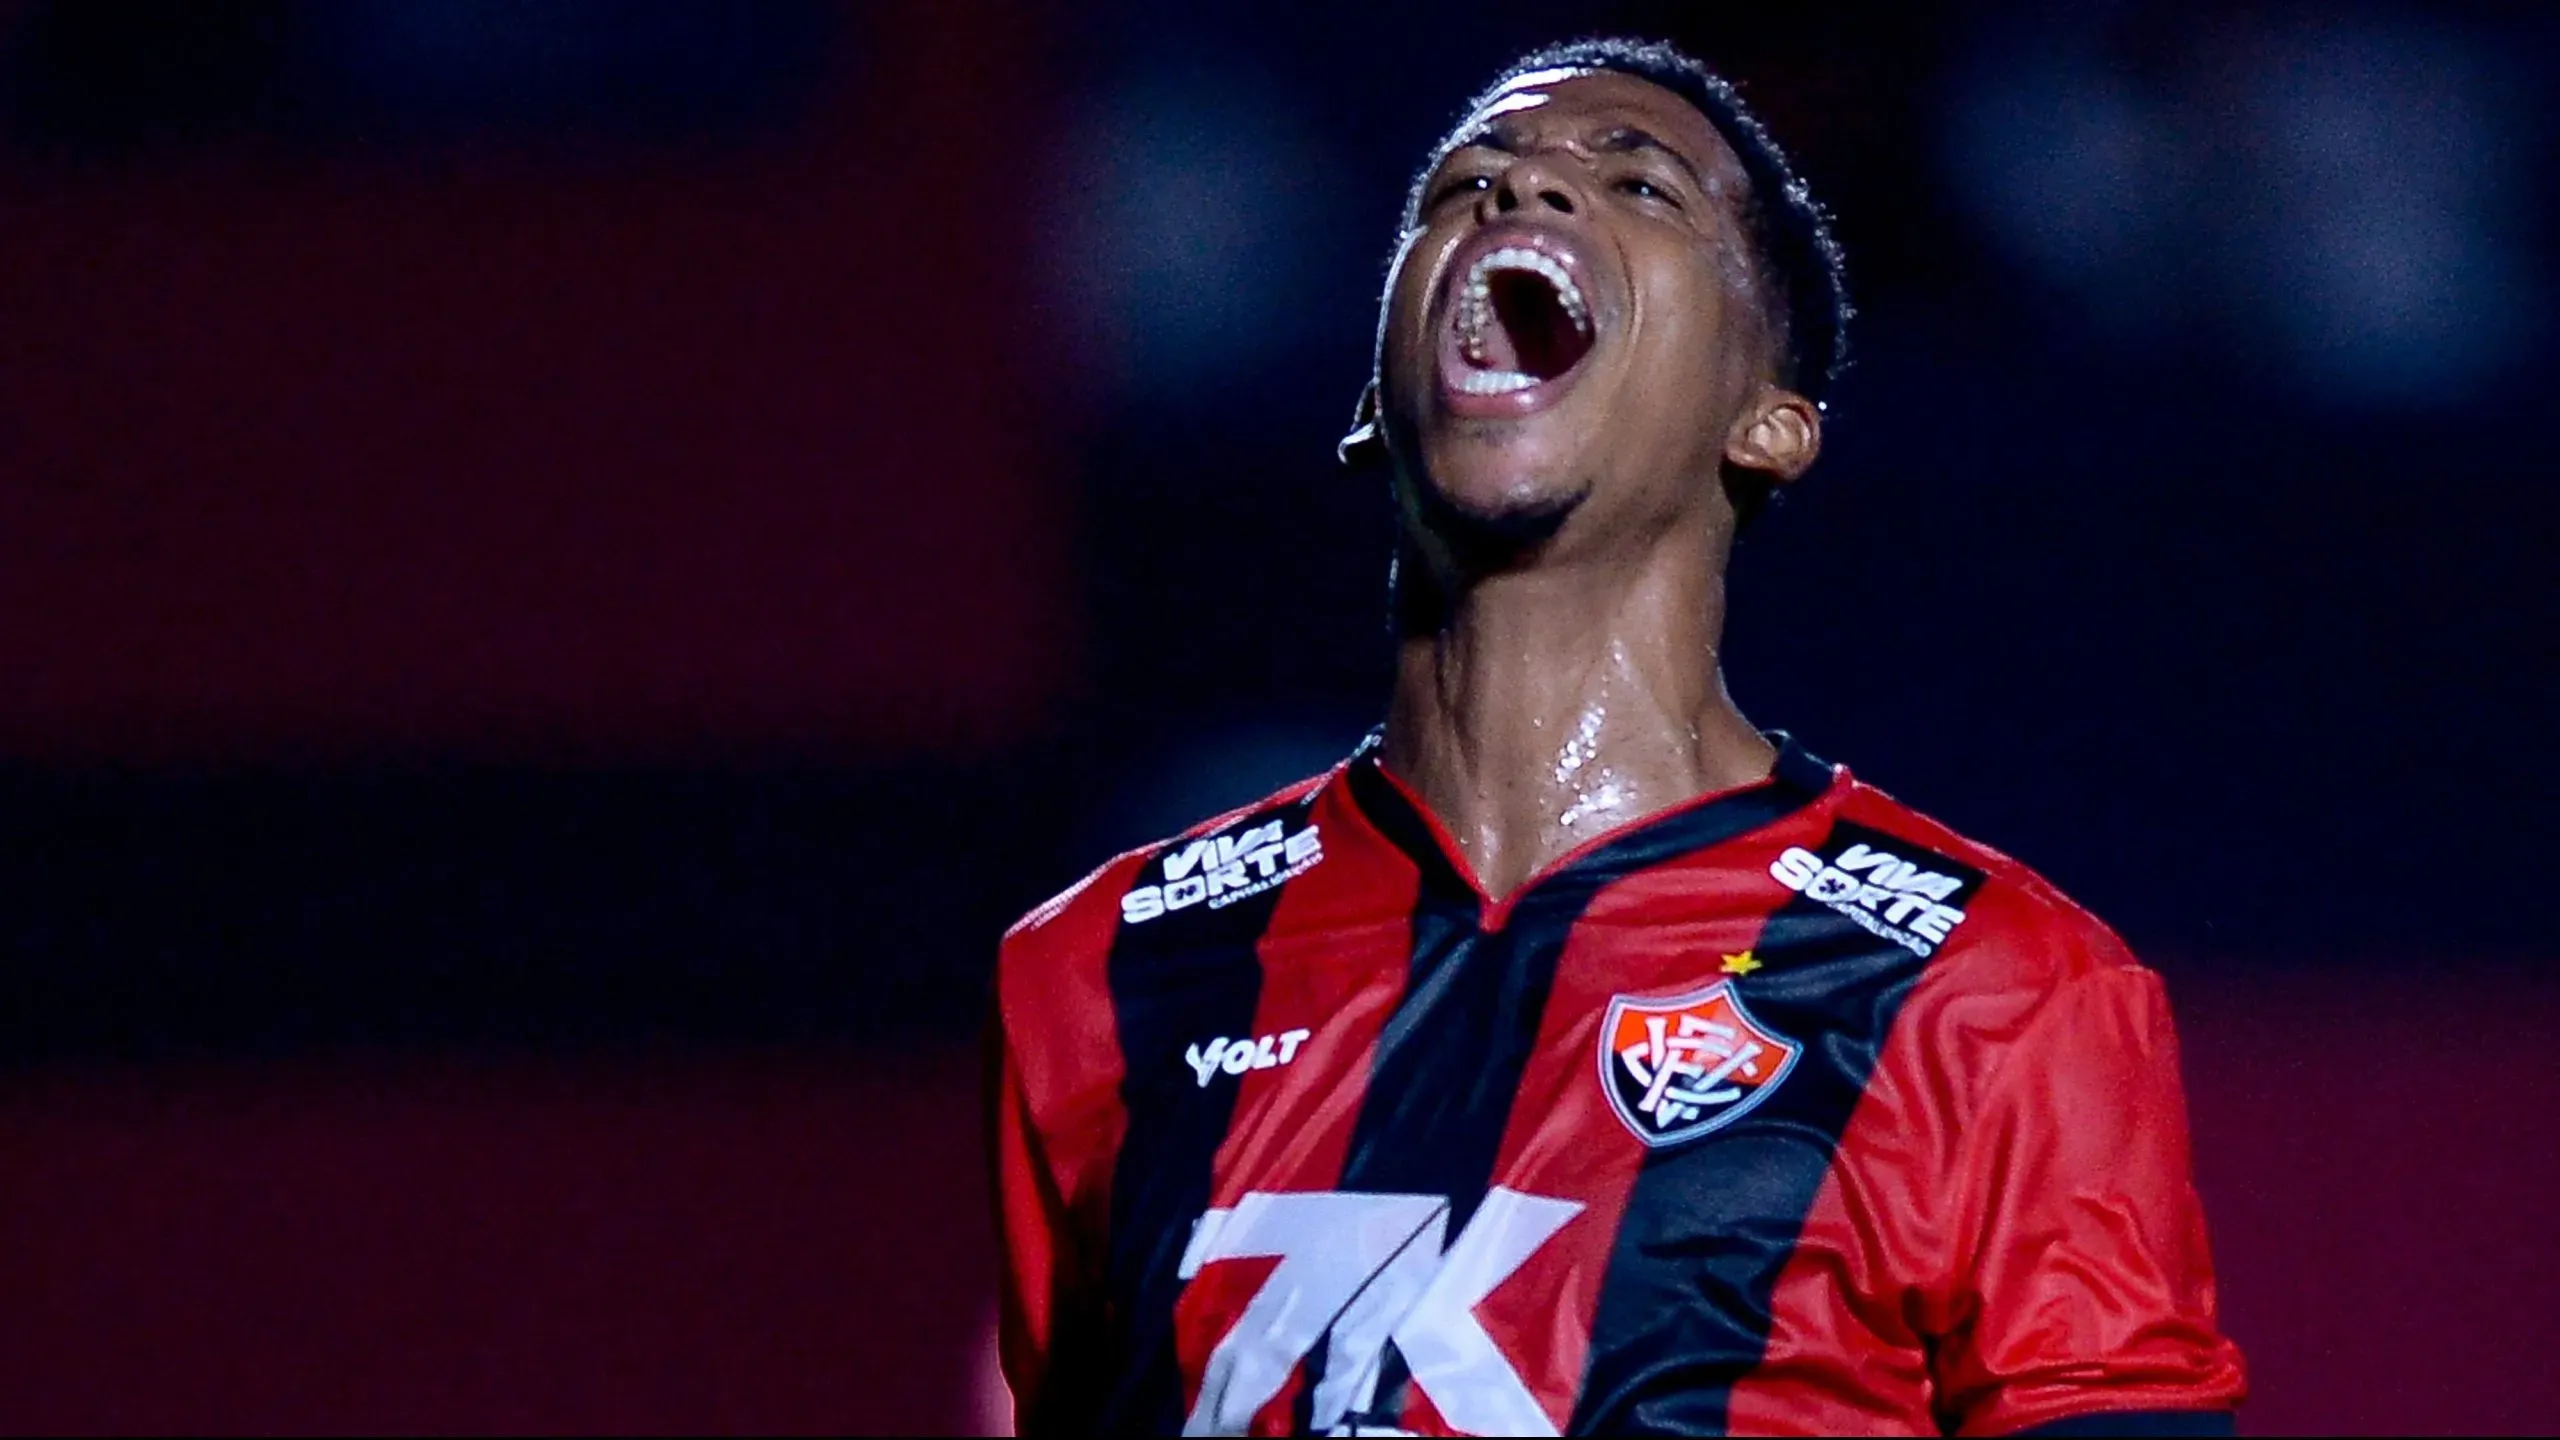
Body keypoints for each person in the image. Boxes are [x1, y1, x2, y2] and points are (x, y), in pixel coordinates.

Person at [989, 37, 2245, 1437]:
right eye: (1464, 184)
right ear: (1373, 407)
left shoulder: (1990, 994)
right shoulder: (1101, 972)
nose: (1522, 189)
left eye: (1642, 186)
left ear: (1768, 426)